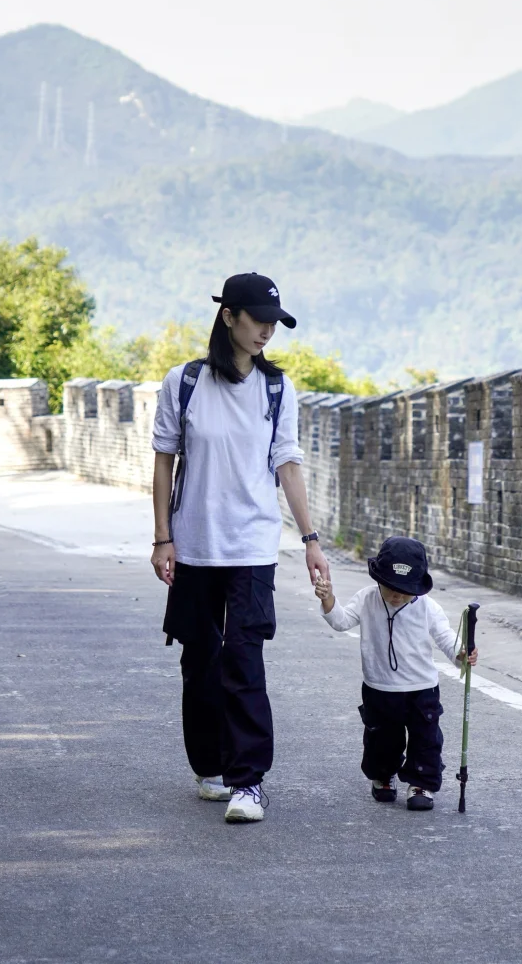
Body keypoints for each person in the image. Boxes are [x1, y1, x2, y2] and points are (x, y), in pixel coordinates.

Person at [150, 272, 330, 824]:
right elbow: (163, 462)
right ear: (227, 316)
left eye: (274, 322)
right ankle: (209, 766)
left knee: (244, 660)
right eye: (257, 320)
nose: (267, 331)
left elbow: (288, 465)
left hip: (252, 547)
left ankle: (248, 782)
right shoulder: (182, 383)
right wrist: (162, 537)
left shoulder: (277, 389)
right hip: (195, 545)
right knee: (199, 660)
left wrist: (311, 539)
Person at [314, 535, 477, 811]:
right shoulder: (367, 599)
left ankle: (420, 783)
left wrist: (462, 654)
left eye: (405, 589)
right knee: (381, 740)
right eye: (391, 587)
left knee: (425, 739)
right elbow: (341, 621)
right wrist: (329, 599)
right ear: (378, 578)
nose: (397, 594)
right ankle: (383, 777)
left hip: (422, 688)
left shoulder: (428, 608)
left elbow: (447, 640)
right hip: (380, 688)